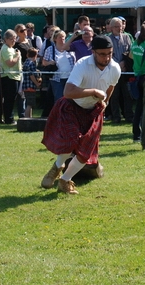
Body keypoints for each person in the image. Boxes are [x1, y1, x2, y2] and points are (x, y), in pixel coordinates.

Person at [40, 35, 121, 195]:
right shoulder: (82, 64)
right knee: (70, 142)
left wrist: (105, 102)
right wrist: (93, 92)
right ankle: (56, 167)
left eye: (109, 53)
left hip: (93, 111)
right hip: (72, 107)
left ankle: (64, 180)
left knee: (86, 153)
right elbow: (68, 92)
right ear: (93, 52)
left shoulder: (115, 68)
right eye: (102, 54)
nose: (107, 58)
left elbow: (110, 87)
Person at [0, 29, 23, 125]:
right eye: (12, 39)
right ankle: (9, 119)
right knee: (9, 99)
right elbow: (9, 63)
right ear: (6, 39)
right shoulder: (5, 49)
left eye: (15, 39)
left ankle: (10, 117)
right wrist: (17, 56)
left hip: (15, 76)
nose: (14, 41)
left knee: (12, 99)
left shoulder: (12, 49)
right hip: (8, 77)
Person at [21, 49, 42, 117]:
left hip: (25, 86)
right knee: (30, 104)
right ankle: (27, 118)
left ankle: (29, 118)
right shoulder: (32, 63)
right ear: (35, 56)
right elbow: (32, 75)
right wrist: (37, 83)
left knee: (28, 103)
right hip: (30, 86)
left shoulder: (26, 62)